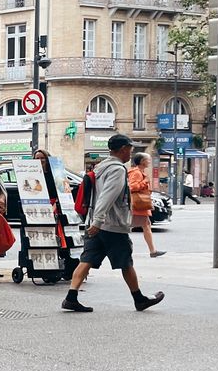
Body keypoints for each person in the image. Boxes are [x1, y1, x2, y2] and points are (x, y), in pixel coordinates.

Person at [62, 134, 165, 313]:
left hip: (97, 222)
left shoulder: (101, 167)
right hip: (111, 224)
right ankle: (139, 299)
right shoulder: (117, 169)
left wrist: (95, 221)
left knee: (86, 260)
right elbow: (107, 196)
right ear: (123, 149)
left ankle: (71, 297)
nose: (131, 152)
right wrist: (99, 221)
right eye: (130, 149)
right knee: (125, 261)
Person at [128, 152, 165, 258]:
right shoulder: (137, 173)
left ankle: (152, 250)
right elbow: (132, 186)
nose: (149, 161)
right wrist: (145, 182)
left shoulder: (139, 172)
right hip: (139, 204)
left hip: (140, 204)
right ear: (142, 161)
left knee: (145, 225)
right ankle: (151, 251)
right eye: (148, 160)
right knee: (130, 227)